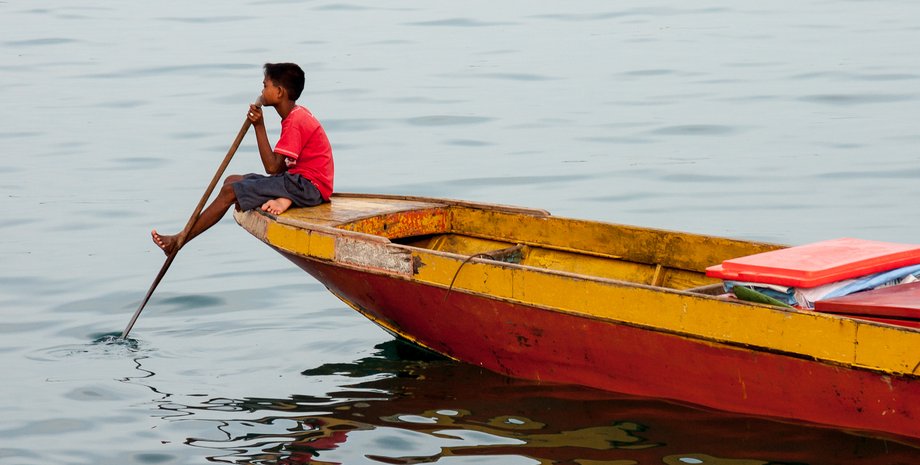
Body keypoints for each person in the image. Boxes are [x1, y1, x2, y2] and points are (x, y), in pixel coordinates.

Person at [152, 62, 334, 255]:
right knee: (232, 180)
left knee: (230, 191)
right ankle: (281, 198)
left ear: (279, 92)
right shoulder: (295, 116)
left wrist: (259, 126)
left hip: (308, 187)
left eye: (265, 86)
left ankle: (180, 240)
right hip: (299, 183)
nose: (262, 91)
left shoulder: (295, 121)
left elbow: (272, 168)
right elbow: (281, 168)